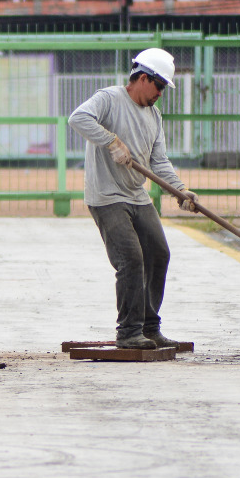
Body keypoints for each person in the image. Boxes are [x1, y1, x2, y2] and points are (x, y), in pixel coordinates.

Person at [69, 48, 197, 350]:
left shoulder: (153, 115)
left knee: (158, 253)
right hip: (107, 195)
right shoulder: (109, 98)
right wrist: (111, 140)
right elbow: (78, 118)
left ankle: (149, 327)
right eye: (159, 87)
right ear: (142, 77)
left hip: (136, 194)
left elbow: (159, 160)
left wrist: (179, 190)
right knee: (131, 259)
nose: (160, 95)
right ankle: (128, 331)